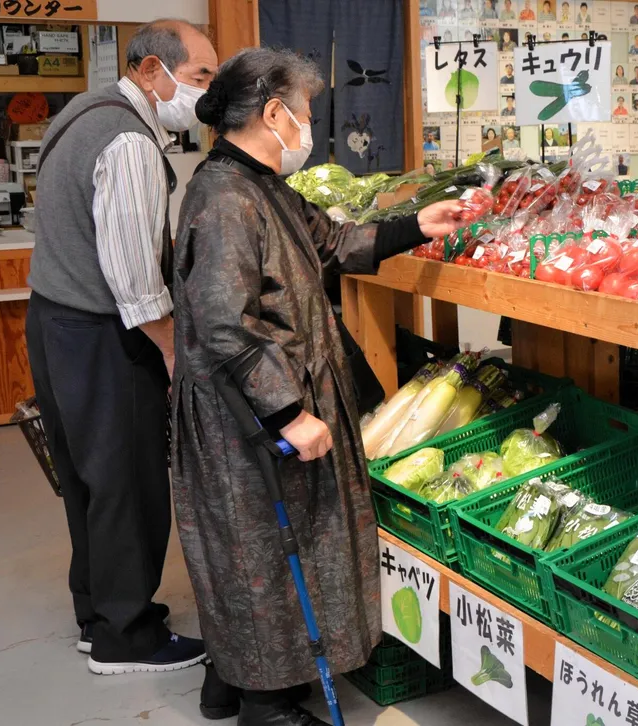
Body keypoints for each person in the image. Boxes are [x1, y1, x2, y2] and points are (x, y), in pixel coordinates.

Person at [174, 47, 468, 726]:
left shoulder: (261, 184)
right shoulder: (224, 200)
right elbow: (224, 324)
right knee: (259, 550)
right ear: (273, 113)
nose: (310, 128)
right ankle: (265, 703)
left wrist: (417, 225)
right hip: (244, 417)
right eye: (305, 113)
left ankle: (235, 678)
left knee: (267, 549)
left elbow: (332, 242)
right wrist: (286, 414)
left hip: (264, 402)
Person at [26, 19, 215, 679]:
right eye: (199, 78)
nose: (204, 93)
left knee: (85, 481)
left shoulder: (80, 110)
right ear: (151, 70)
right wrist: (171, 354)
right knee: (127, 482)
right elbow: (135, 282)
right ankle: (126, 637)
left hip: (52, 321)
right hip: (104, 333)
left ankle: (96, 615)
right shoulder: (129, 142)